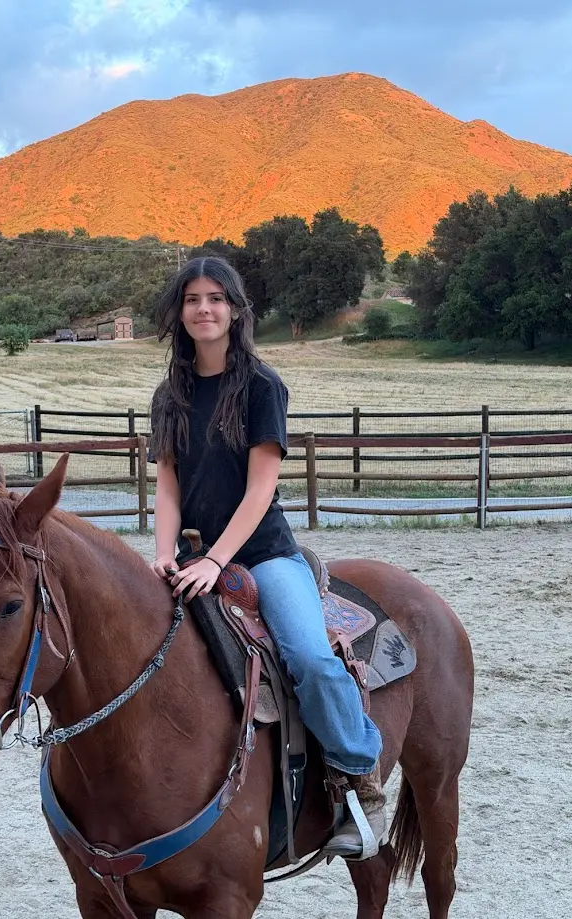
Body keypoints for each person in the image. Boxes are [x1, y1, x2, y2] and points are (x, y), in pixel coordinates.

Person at [148, 255, 386, 860]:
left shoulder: (261, 386)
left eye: (216, 298)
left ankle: (359, 775)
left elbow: (261, 491)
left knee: (307, 655)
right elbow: (169, 484)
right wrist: (162, 553)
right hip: (193, 553)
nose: (205, 308)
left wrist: (216, 560)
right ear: (180, 312)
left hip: (262, 553)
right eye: (193, 298)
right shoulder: (170, 393)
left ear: (235, 310)